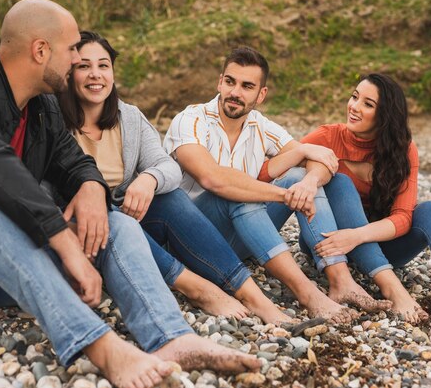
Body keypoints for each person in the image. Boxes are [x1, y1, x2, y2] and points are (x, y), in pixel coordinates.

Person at [0, 0, 259, 388]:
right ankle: (100, 346)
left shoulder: (43, 107)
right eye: (73, 48)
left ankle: (171, 337)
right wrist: (65, 243)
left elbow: (74, 162)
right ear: (41, 50)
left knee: (118, 223)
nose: (78, 59)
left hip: (6, 268)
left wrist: (91, 187)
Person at [59, 30, 291, 324]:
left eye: (103, 65)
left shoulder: (128, 117)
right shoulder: (54, 120)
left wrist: (148, 179)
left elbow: (165, 165)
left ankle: (252, 295)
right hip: (83, 230)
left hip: (134, 220)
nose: (96, 75)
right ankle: (195, 287)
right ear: (69, 72)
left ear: (113, 72)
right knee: (113, 216)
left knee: (170, 196)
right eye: (84, 66)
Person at [164, 46, 392, 323]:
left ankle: (340, 280)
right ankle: (307, 294)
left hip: (238, 241)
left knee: (299, 178)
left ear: (261, 94)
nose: (235, 92)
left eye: (247, 86)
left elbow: (321, 159)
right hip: (189, 243)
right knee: (239, 194)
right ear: (219, 81)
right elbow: (212, 178)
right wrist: (284, 195)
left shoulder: (261, 126)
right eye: (230, 82)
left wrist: (307, 182)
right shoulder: (191, 120)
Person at [294, 73, 431, 333]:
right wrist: (305, 160)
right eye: (354, 97)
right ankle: (392, 289)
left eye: (367, 104)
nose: (354, 107)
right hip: (329, 244)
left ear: (385, 116)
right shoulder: (327, 136)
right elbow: (274, 168)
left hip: (378, 246)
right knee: (339, 182)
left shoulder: (403, 149)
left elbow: (402, 218)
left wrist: (356, 235)